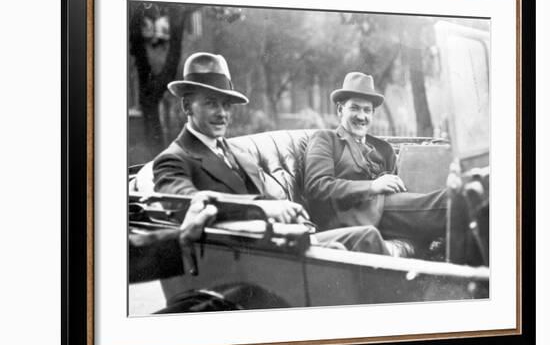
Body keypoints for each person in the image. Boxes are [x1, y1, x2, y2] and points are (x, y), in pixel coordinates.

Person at [151, 52, 396, 255]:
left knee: (366, 235)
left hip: (286, 236)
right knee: (363, 240)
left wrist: (291, 213)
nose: (222, 113)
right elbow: (190, 202)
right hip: (250, 251)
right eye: (211, 103)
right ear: (186, 106)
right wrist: (262, 209)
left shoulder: (235, 152)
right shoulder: (173, 159)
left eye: (226, 104)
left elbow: (268, 199)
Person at [304, 72, 448, 256]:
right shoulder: (326, 139)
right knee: (453, 203)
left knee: (450, 203)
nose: (361, 116)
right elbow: (316, 186)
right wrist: (372, 186)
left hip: (389, 216)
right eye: (354, 108)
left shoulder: (383, 149)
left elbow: (399, 191)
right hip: (352, 218)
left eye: (367, 110)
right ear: (340, 110)